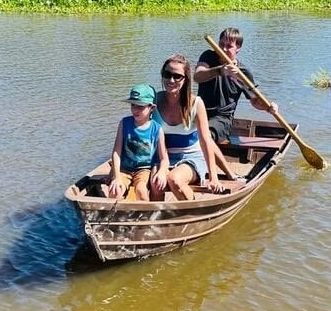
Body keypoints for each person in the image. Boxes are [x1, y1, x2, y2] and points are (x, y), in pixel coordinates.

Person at [151, 54, 223, 201]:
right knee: (155, 183)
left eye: (177, 76)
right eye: (167, 74)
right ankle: (156, 219)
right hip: (163, 157)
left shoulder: (196, 103)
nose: (171, 80)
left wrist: (213, 177)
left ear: (185, 79)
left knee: (174, 180)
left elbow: (206, 141)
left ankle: (193, 212)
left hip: (191, 157)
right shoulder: (154, 101)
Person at [194, 27, 277, 144]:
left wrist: (268, 107)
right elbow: (197, 76)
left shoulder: (243, 72)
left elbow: (255, 100)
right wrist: (220, 71)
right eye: (221, 44)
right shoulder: (208, 56)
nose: (223, 49)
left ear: (238, 48)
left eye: (229, 46)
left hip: (222, 118)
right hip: (199, 112)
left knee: (204, 135)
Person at [108, 84, 168, 201]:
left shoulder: (156, 129)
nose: (135, 110)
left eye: (140, 106)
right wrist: (116, 177)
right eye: (133, 105)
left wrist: (161, 172)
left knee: (141, 190)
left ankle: (145, 216)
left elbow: (164, 158)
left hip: (144, 169)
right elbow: (116, 152)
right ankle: (115, 216)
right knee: (115, 191)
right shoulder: (124, 123)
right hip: (124, 169)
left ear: (151, 108)